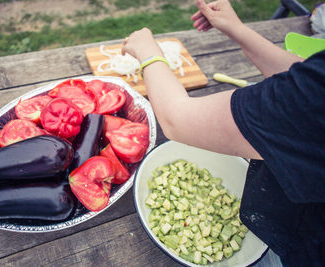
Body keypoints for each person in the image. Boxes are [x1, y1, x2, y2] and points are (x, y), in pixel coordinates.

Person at [122, 0, 325, 266]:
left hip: (300, 249)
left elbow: (177, 120)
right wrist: (236, 29)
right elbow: (302, 75)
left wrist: (148, 52)